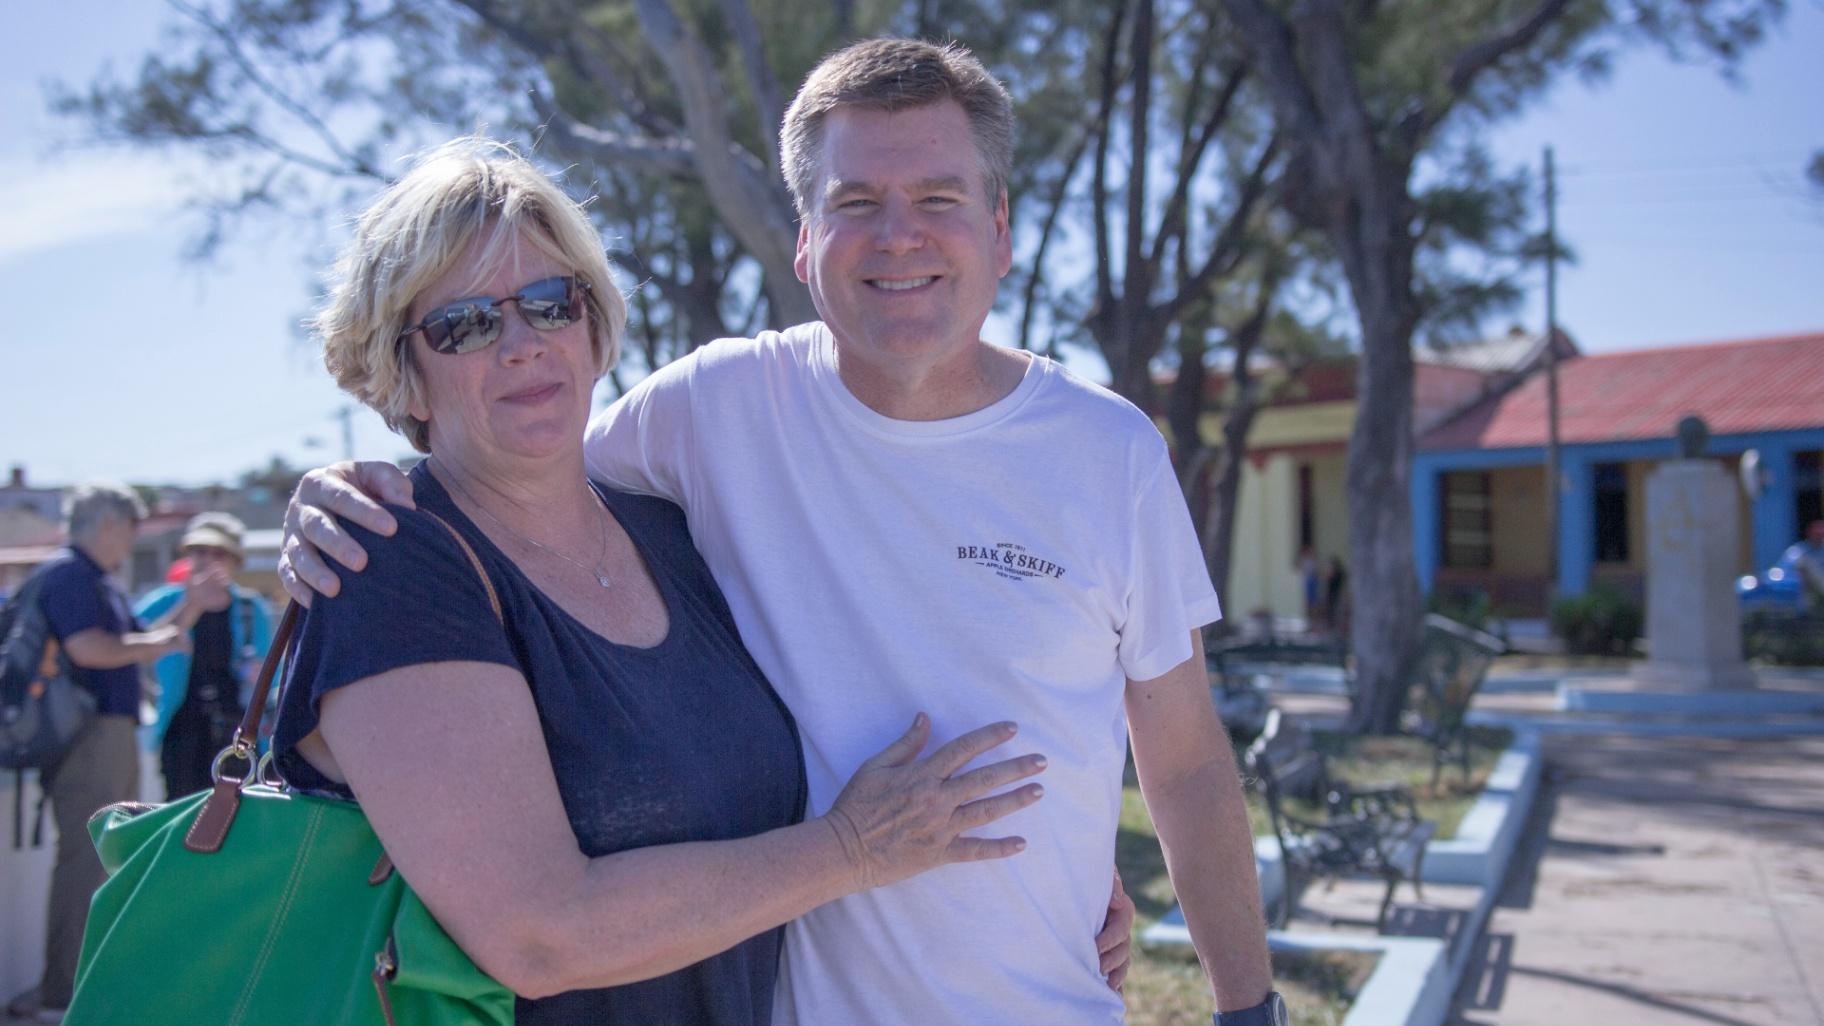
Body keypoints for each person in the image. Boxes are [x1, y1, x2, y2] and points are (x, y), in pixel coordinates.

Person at [283, 39, 1276, 1026]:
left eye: (939, 198)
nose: (899, 236)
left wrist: (1239, 1003)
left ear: (1001, 229)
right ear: (804, 239)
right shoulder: (713, 412)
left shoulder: (1110, 453)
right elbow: (502, 480)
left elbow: (1182, 762)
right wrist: (337, 492)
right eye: (854, 204)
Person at [266, 137, 1050, 1026]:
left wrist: (1043, 892)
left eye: (549, 303)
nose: (522, 343)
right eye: (467, 324)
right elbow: (539, 935)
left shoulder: (672, 529)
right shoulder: (389, 564)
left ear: (595, 328)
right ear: (403, 377)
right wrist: (852, 849)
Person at [7, 484, 199, 1024]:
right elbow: (89, 649)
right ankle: (59, 993)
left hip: (105, 736)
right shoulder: (72, 574)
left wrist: (190, 609)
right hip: (88, 737)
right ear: (111, 524)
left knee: (109, 856)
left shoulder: (96, 581)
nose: (130, 541)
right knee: (87, 860)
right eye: (130, 529)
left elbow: (152, 639)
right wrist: (158, 642)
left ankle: (75, 986)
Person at [133, 512, 275, 798]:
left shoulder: (251, 609)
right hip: (180, 732)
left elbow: (269, 674)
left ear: (235, 562)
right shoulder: (166, 601)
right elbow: (136, 649)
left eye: (219, 554)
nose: (208, 561)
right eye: (200, 552)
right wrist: (191, 605)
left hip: (236, 735)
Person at [1786, 518, 1824, 608]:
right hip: (1802, 590)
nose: (1819, 537)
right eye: (1817, 534)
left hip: (1818, 594)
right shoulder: (1798, 551)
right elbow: (1784, 571)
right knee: (1805, 563)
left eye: (1821, 534)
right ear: (1809, 533)